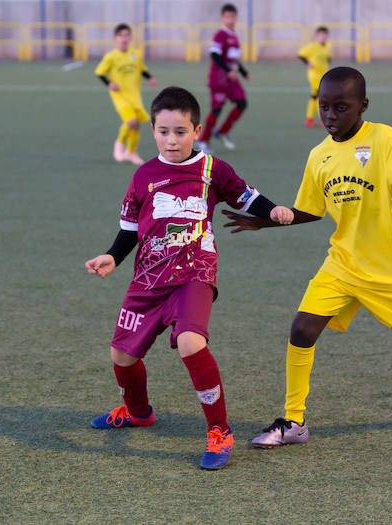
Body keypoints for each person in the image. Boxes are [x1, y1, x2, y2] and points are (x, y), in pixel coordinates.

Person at [221, 67, 392, 449]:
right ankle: (294, 420)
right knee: (302, 329)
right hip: (344, 264)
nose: (330, 115)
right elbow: (311, 209)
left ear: (363, 105)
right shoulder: (319, 155)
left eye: (340, 107)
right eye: (324, 106)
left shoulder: (384, 138)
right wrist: (262, 222)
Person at [85, 86, 292, 470]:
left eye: (181, 131)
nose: (172, 139)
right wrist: (113, 257)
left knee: (190, 343)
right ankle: (137, 412)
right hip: (148, 280)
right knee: (122, 356)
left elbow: (246, 197)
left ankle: (219, 431)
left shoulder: (213, 169)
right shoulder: (144, 175)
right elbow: (131, 228)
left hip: (194, 273)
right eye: (163, 131)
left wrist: (274, 209)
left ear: (196, 131)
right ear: (152, 130)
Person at [94, 23, 158, 166]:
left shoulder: (136, 54)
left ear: (130, 38)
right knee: (131, 122)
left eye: (126, 35)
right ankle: (119, 144)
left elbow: (141, 69)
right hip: (120, 96)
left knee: (136, 125)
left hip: (135, 96)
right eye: (121, 35)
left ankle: (131, 152)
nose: (124, 38)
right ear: (115, 38)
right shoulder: (111, 57)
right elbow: (99, 72)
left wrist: (150, 78)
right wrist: (109, 83)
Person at [195, 3, 250, 153]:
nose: (230, 19)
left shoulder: (234, 36)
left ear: (236, 18)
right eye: (227, 17)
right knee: (216, 110)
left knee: (242, 103)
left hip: (231, 80)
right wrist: (227, 70)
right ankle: (203, 141)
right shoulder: (220, 35)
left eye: (232, 16)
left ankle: (222, 131)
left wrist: (244, 72)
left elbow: (234, 59)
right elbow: (214, 55)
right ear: (222, 18)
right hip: (219, 79)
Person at [297, 26, 332, 128]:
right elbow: (300, 55)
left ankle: (309, 119)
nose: (323, 37)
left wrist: (327, 67)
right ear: (317, 36)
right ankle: (322, 120)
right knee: (320, 96)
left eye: (325, 35)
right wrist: (308, 63)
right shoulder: (312, 46)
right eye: (321, 35)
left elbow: (328, 59)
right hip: (314, 75)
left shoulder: (328, 47)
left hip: (324, 75)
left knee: (315, 96)